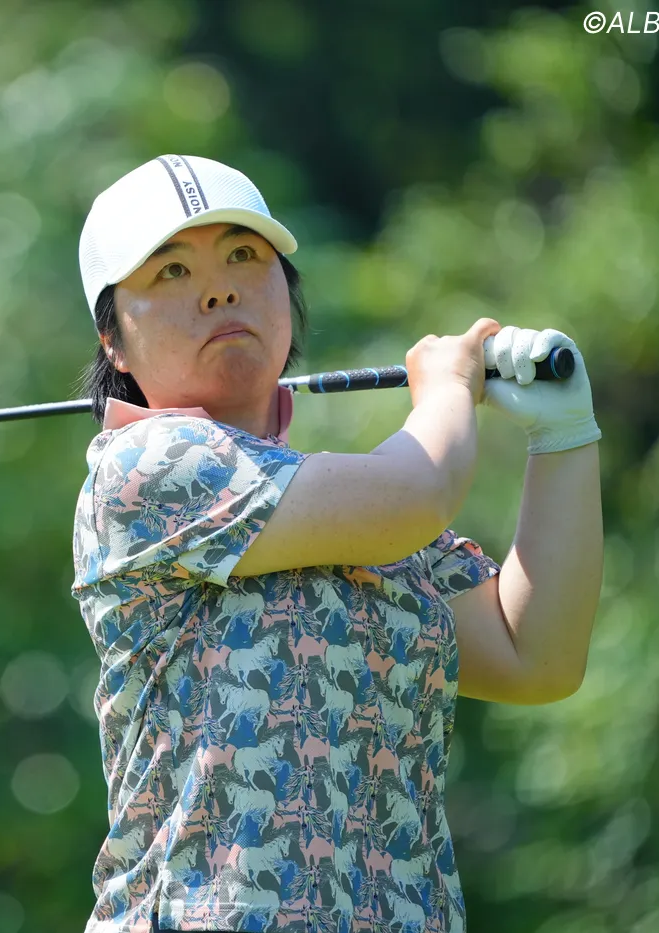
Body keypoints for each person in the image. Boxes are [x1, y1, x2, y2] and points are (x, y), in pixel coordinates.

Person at [68, 154, 603, 933]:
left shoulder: (355, 509)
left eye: (244, 256)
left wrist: (564, 435)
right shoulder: (147, 467)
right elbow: (415, 492)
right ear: (114, 339)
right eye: (172, 271)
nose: (218, 289)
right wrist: (447, 386)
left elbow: (534, 655)